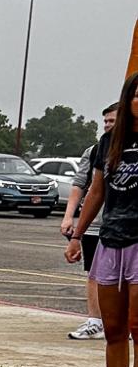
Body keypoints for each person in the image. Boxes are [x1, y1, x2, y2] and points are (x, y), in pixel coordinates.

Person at [65, 72, 138, 367]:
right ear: (127, 101)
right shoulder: (108, 143)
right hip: (111, 239)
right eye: (136, 96)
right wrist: (78, 234)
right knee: (113, 327)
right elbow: (96, 191)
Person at [62, 103, 118, 339]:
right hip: (97, 225)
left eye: (112, 121)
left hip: (125, 225)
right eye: (105, 121)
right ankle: (95, 321)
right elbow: (82, 186)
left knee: (126, 278)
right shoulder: (95, 150)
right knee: (95, 273)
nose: (107, 126)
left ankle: (119, 321)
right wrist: (69, 217)